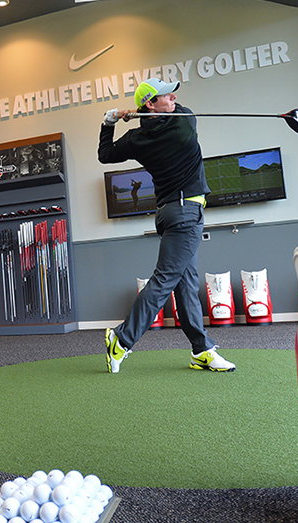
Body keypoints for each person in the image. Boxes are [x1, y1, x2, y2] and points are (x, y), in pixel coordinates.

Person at [98, 78, 235, 374]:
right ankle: (122, 339)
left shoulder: (136, 139)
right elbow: (183, 109)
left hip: (168, 213)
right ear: (150, 103)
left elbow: (105, 155)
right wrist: (145, 115)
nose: (173, 98)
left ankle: (202, 350)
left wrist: (110, 121)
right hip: (186, 213)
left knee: (186, 284)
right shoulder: (183, 123)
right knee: (165, 280)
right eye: (165, 95)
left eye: (172, 95)